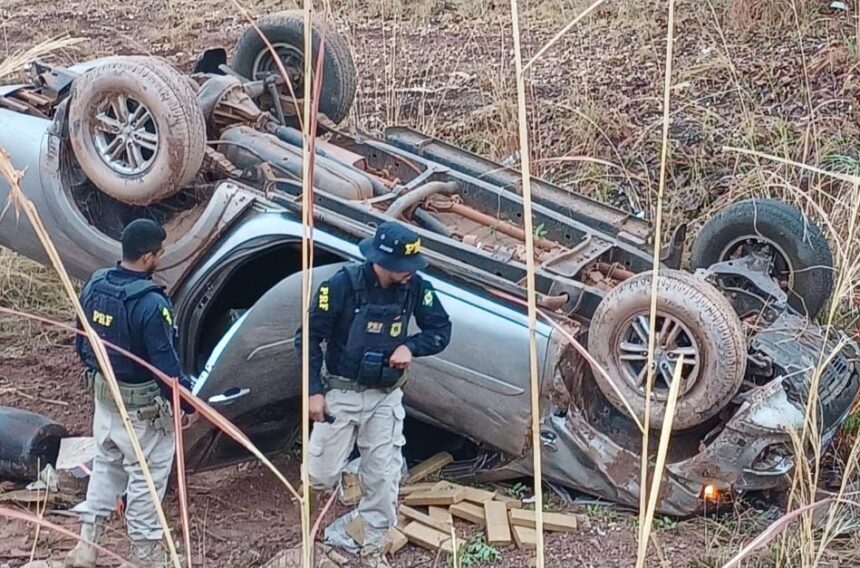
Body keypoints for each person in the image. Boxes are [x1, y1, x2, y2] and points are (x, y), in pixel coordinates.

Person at [295, 221, 452, 566]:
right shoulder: (341, 286)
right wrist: (313, 392)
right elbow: (306, 337)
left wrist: (412, 346)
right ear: (381, 261)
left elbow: (441, 329)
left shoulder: (416, 289)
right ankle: (336, 492)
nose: (410, 273)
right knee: (320, 475)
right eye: (403, 267)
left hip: (385, 397)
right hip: (341, 393)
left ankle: (369, 544)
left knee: (383, 477)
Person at [65, 219, 194, 568]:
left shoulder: (95, 285)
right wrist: (181, 401)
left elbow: (81, 340)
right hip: (142, 411)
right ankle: (146, 555)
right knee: (146, 479)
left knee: (106, 467)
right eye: (160, 253)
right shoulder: (152, 304)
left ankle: (85, 544)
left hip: (104, 398)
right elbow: (164, 363)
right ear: (149, 256)